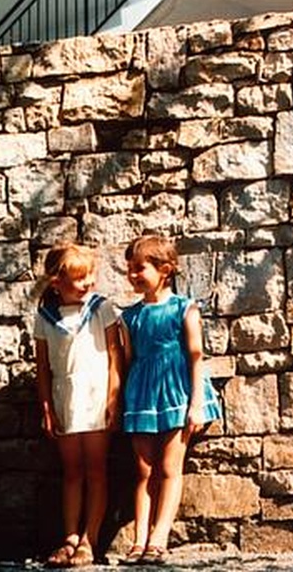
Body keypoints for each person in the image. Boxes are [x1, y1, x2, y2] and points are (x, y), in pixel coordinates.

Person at [119, 234, 221, 565]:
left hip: (177, 391)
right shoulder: (130, 316)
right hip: (143, 394)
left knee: (168, 466)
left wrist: (196, 404)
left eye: (140, 268)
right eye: (129, 269)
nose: (133, 275)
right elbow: (130, 359)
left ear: (165, 269)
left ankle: (159, 538)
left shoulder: (184, 308)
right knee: (144, 470)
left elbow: (195, 357)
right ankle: (139, 539)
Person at [34, 242, 124, 567]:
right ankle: (70, 537)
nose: (88, 283)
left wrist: (114, 397)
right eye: (80, 278)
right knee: (72, 472)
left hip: (97, 397)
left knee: (96, 470)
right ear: (57, 283)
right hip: (65, 401)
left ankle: (90, 539)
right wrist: (46, 407)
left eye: (90, 275)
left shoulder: (101, 308)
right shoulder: (45, 317)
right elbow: (42, 367)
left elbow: (116, 356)